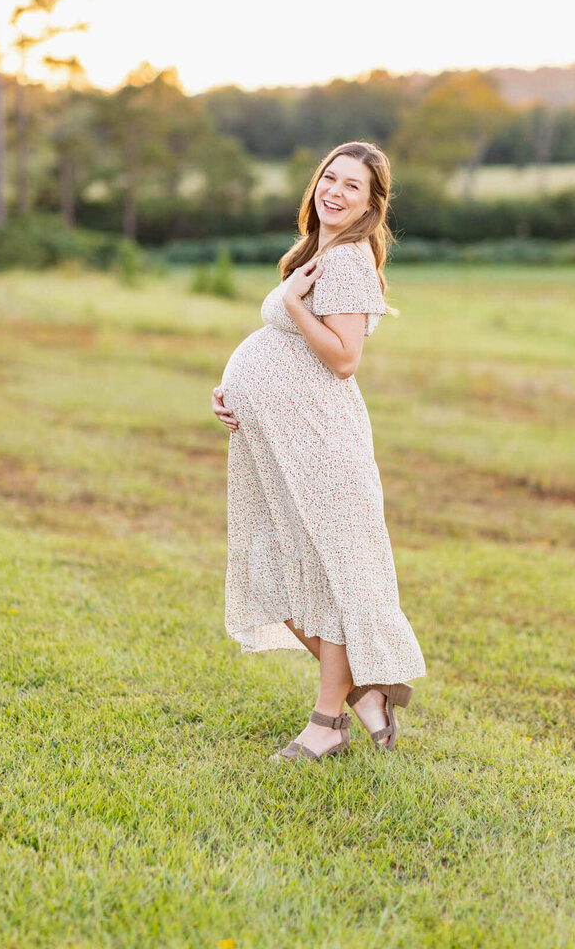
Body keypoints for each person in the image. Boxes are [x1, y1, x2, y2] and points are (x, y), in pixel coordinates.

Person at [212, 141, 426, 761]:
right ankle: (365, 689)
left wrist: (289, 305)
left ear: (370, 204)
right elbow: (284, 351)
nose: (335, 191)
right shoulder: (319, 251)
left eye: (352, 186)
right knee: (276, 567)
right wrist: (236, 395)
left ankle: (327, 724)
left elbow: (343, 358)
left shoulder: (352, 260)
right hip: (285, 442)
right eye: (329, 178)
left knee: (330, 578)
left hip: (323, 448)